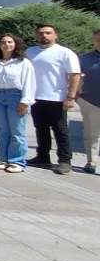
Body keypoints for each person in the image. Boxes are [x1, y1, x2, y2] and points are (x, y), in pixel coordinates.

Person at [26, 24, 81, 175]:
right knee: (40, 129)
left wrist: (70, 97)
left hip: (57, 99)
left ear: (55, 35)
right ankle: (43, 157)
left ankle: (64, 161)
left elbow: (74, 75)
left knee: (60, 131)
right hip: (35, 98)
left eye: (48, 33)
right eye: (41, 33)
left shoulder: (65, 53)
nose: (44, 36)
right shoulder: (30, 52)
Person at [0, 34, 36, 173]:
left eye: (10, 42)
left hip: (16, 97)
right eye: (3, 42)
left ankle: (17, 161)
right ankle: (2, 159)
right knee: (2, 130)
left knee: (17, 131)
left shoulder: (23, 62)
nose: (7, 45)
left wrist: (25, 101)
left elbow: (29, 83)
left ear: (15, 44)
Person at [76, 30, 100, 175]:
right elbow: (74, 76)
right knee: (92, 133)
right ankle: (91, 161)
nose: (99, 42)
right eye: (96, 40)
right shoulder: (84, 58)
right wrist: (77, 97)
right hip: (91, 101)